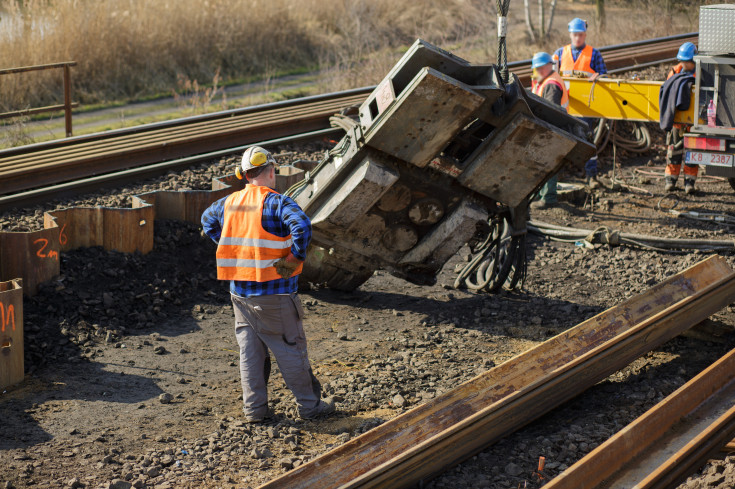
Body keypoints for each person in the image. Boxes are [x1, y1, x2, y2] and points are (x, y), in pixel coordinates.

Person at [201, 146, 334, 422]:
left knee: (250, 354)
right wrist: (293, 259)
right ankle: (310, 407)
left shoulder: (229, 203)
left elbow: (206, 220)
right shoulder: (277, 203)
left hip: (240, 295)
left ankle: (255, 411)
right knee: (290, 349)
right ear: (271, 171)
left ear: (246, 176)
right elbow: (302, 227)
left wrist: (230, 248)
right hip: (275, 294)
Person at [555, 18, 607, 189]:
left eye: (581, 35)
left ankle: (591, 176)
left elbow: (604, 76)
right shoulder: (560, 53)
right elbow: (549, 75)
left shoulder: (594, 54)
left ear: (585, 35)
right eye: (575, 35)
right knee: (561, 140)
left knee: (587, 141)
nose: (578, 38)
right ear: (570, 35)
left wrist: (599, 77)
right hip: (565, 107)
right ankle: (559, 176)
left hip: (586, 107)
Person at [530, 52, 569, 210]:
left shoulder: (552, 84)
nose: (537, 71)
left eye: (540, 68)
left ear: (548, 66)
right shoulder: (547, 80)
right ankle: (542, 195)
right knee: (544, 162)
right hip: (551, 128)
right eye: (536, 69)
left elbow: (550, 112)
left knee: (549, 163)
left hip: (553, 129)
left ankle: (549, 198)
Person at [664, 42, 698, 194]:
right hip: (677, 121)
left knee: (692, 152)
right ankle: (670, 181)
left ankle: (689, 183)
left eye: (687, 61)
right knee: (674, 150)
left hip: (694, 122)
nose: (684, 64)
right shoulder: (675, 71)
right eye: (682, 61)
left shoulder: (702, 73)